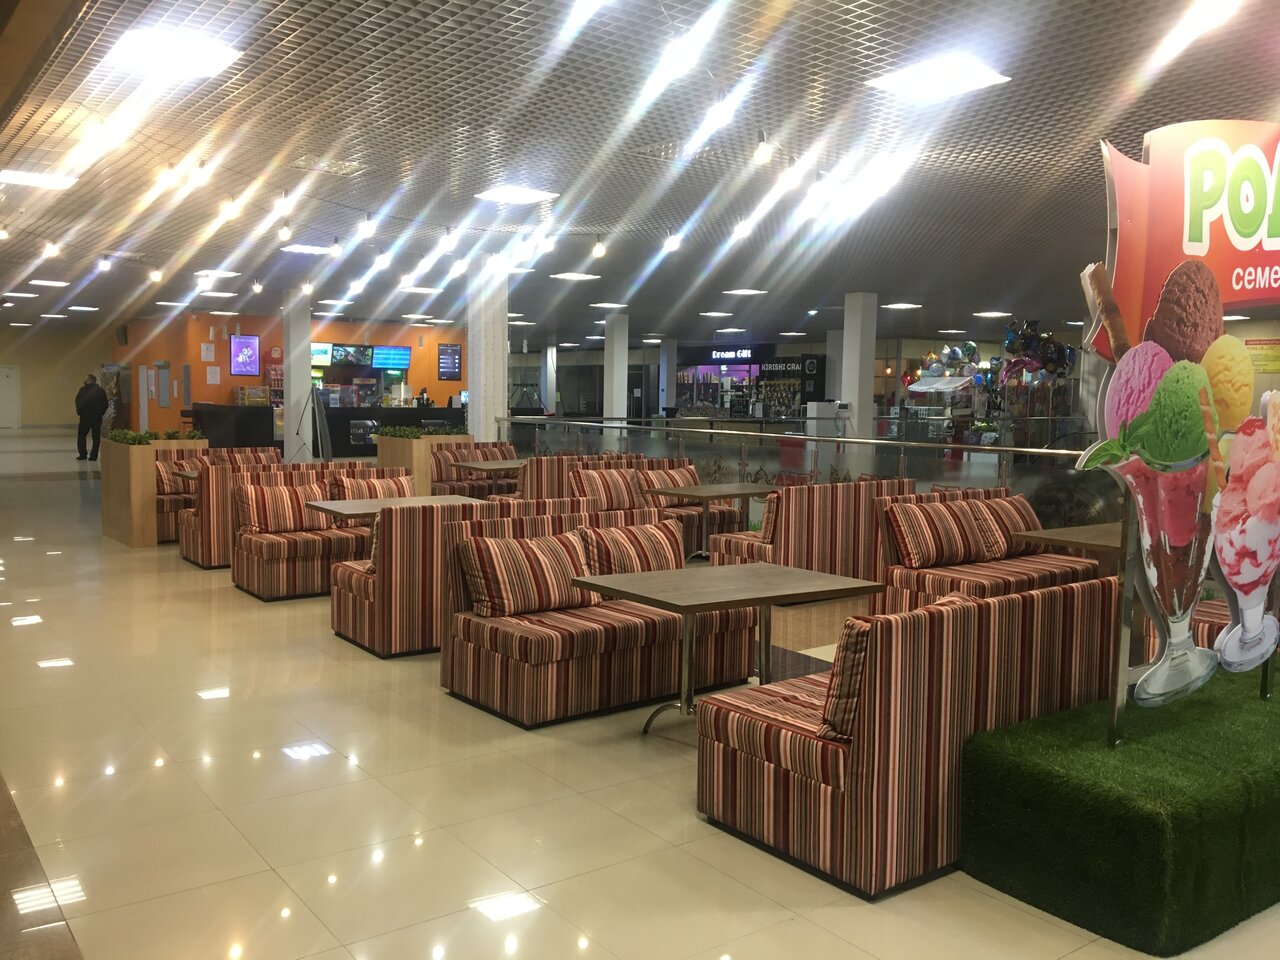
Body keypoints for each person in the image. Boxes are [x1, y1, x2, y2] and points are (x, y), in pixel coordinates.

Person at [75, 373, 108, 461]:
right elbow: (105, 404)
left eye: (86, 379)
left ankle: (82, 454)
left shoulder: (83, 390)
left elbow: (78, 402)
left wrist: (80, 412)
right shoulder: (100, 391)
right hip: (97, 417)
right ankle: (94, 456)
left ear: (89, 381)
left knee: (82, 435)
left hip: (85, 417)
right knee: (96, 437)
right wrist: (101, 413)